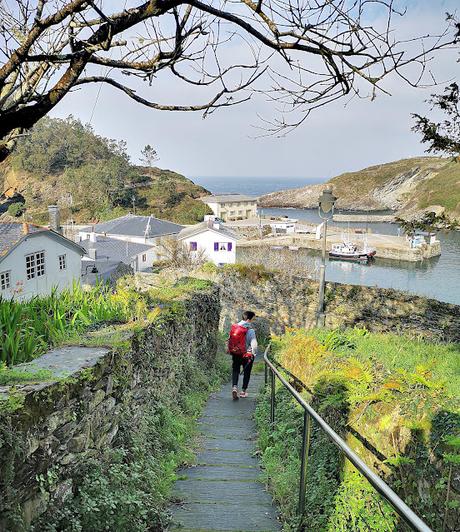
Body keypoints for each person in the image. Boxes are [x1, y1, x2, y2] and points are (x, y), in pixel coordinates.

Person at [230, 310, 258, 400]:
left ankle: (234, 387)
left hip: (236, 353)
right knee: (247, 373)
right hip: (247, 355)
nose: (253, 321)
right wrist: (254, 353)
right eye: (253, 319)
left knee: (235, 370)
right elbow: (254, 344)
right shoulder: (250, 330)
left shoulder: (235, 327)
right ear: (249, 319)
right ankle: (243, 392)